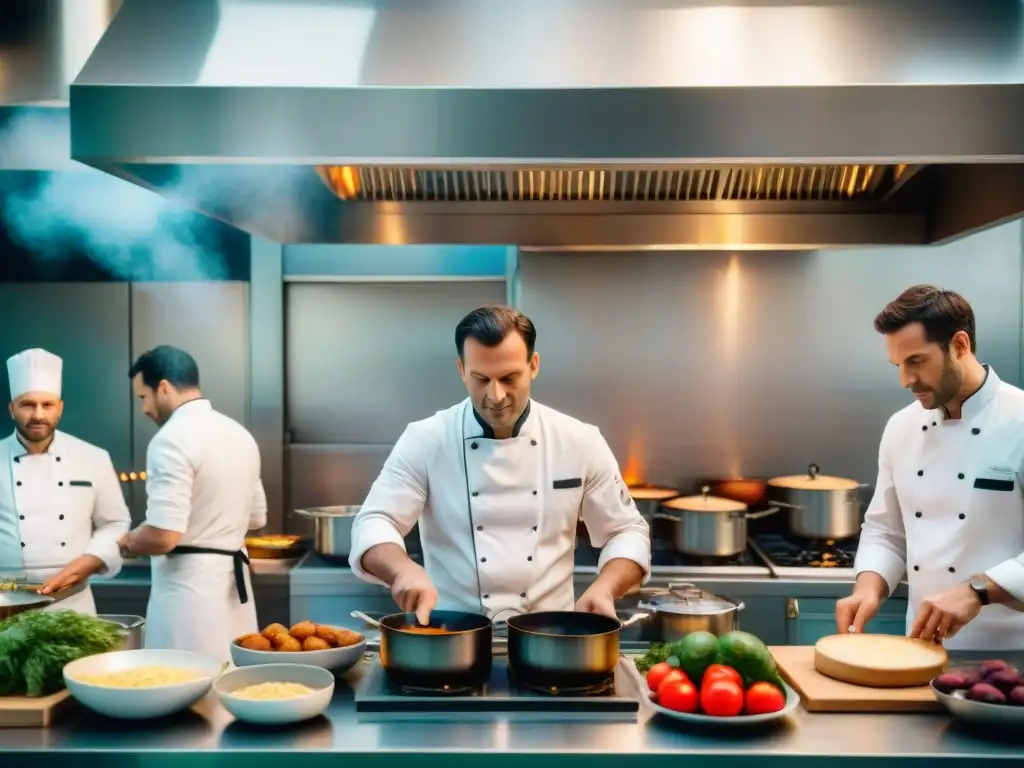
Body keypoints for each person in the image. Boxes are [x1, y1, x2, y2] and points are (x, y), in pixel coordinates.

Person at [350, 306, 651, 625]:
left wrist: (606, 587)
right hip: (451, 634)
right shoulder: (426, 439)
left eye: (509, 378)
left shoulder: (579, 441)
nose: (495, 395)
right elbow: (374, 521)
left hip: (551, 636)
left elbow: (626, 529)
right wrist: (402, 571)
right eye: (481, 379)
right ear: (461, 370)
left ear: (533, 366)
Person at [837, 285, 1024, 650]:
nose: (905, 380)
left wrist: (978, 591)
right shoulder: (901, 427)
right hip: (922, 651)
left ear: (959, 345)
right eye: (898, 366)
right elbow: (885, 531)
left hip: (1013, 656)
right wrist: (869, 587)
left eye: (916, 361)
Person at [118, 346, 266, 662]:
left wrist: (128, 541)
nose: (143, 408)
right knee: (234, 688)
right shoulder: (240, 435)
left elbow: (164, 535)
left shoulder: (170, 439)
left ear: (163, 388)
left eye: (142, 397)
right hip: (233, 589)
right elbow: (256, 518)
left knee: (180, 689)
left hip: (188, 596)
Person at [0, 348, 130, 613]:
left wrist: (92, 559)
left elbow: (115, 523)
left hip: (73, 605)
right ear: (12, 409)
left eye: (47, 405)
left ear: (59, 409)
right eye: (27, 404)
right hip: (5, 606)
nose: (38, 415)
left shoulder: (93, 457)